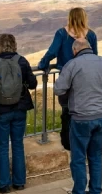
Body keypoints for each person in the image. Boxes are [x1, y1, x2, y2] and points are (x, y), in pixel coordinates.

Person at [54, 39, 102, 194]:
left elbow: (58, 89)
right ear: (90, 48)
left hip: (81, 117)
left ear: (75, 51)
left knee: (78, 157)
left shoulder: (72, 65)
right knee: (96, 156)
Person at [38, 8, 98, 151]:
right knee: (83, 109)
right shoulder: (91, 35)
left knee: (67, 110)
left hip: (67, 78)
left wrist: (43, 64)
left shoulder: (62, 34)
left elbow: (52, 52)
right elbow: (94, 56)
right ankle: (84, 139)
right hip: (85, 79)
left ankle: (68, 142)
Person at [0, 34, 37, 194]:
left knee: (2, 147)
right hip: (19, 108)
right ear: (14, 44)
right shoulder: (22, 61)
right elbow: (33, 84)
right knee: (17, 144)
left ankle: (4, 184)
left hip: (0, 110)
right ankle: (20, 182)